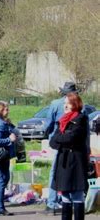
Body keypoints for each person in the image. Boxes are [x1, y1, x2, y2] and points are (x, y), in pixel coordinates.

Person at [41, 81, 79, 216]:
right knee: (72, 172)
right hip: (75, 144)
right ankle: (70, 201)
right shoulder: (80, 105)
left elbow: (48, 124)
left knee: (55, 171)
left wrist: (48, 136)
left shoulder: (55, 104)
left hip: (59, 142)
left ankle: (52, 204)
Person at [49, 93, 89, 220]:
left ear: (75, 104)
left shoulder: (81, 119)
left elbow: (72, 137)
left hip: (76, 162)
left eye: (68, 103)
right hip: (63, 161)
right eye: (64, 103)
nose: (65, 105)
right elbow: (52, 141)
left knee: (77, 195)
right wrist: (62, 139)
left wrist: (61, 138)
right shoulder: (62, 121)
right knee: (65, 195)